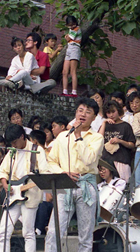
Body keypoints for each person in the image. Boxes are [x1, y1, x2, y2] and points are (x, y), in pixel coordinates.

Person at [44, 97, 104, 252]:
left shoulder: (97, 137)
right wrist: (62, 172)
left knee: (85, 234)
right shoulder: (62, 136)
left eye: (88, 112)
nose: (82, 114)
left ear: (94, 117)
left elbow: (89, 159)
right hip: (65, 185)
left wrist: (78, 136)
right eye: (80, 110)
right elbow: (51, 161)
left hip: (86, 185)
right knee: (54, 230)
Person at [0, 124, 48, 252]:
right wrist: (5, 185)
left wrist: (37, 181)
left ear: (22, 136)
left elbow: (45, 172)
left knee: (28, 233)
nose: (13, 145)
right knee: (3, 231)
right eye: (11, 143)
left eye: (15, 142)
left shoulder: (37, 150)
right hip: (12, 195)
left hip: (30, 195)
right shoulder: (12, 152)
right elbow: (3, 171)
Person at [99, 100, 135, 182]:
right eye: (108, 113)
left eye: (113, 112)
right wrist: (104, 123)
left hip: (121, 160)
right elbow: (99, 139)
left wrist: (120, 141)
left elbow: (132, 144)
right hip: (106, 161)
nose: (111, 115)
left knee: (123, 186)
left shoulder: (125, 126)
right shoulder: (105, 125)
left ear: (118, 110)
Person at [62, 15, 82, 97]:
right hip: (69, 48)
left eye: (72, 24)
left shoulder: (77, 28)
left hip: (74, 48)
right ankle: (65, 90)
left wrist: (67, 36)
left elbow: (68, 38)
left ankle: (74, 92)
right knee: (64, 71)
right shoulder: (71, 29)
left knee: (73, 71)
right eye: (69, 25)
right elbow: (67, 38)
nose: (71, 26)